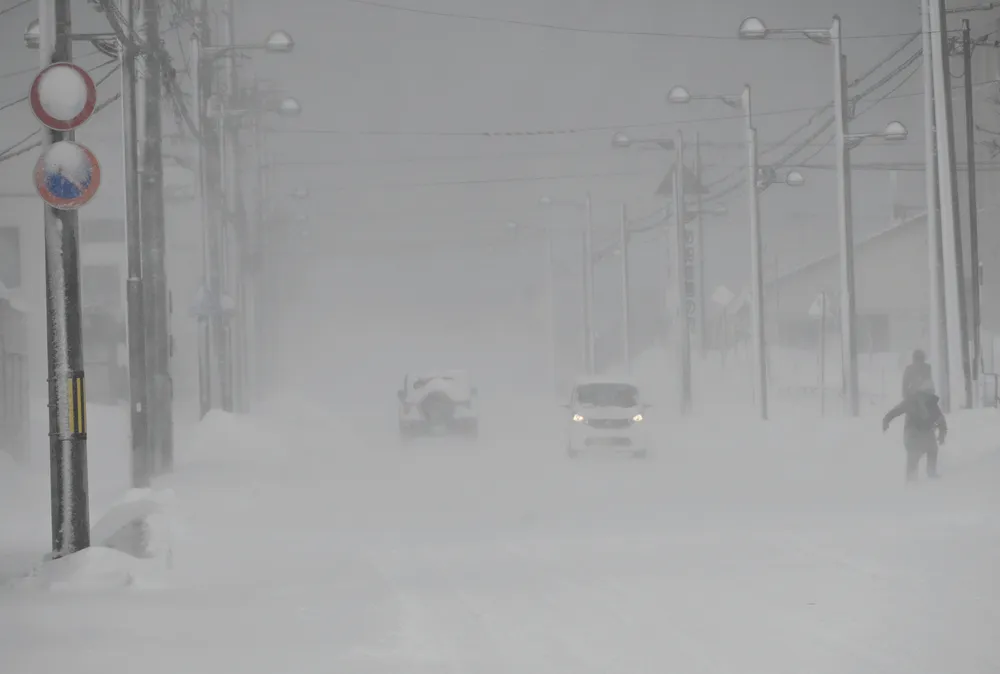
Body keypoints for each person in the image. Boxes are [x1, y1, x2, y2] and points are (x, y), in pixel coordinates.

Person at [882, 378, 947, 481]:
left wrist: (942, 434)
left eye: (930, 393)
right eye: (926, 392)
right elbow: (896, 410)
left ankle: (931, 472)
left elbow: (941, 421)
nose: (927, 396)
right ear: (921, 391)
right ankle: (911, 480)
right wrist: (886, 420)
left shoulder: (932, 404)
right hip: (912, 434)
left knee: (933, 448)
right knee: (914, 453)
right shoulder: (911, 401)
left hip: (926, 433)